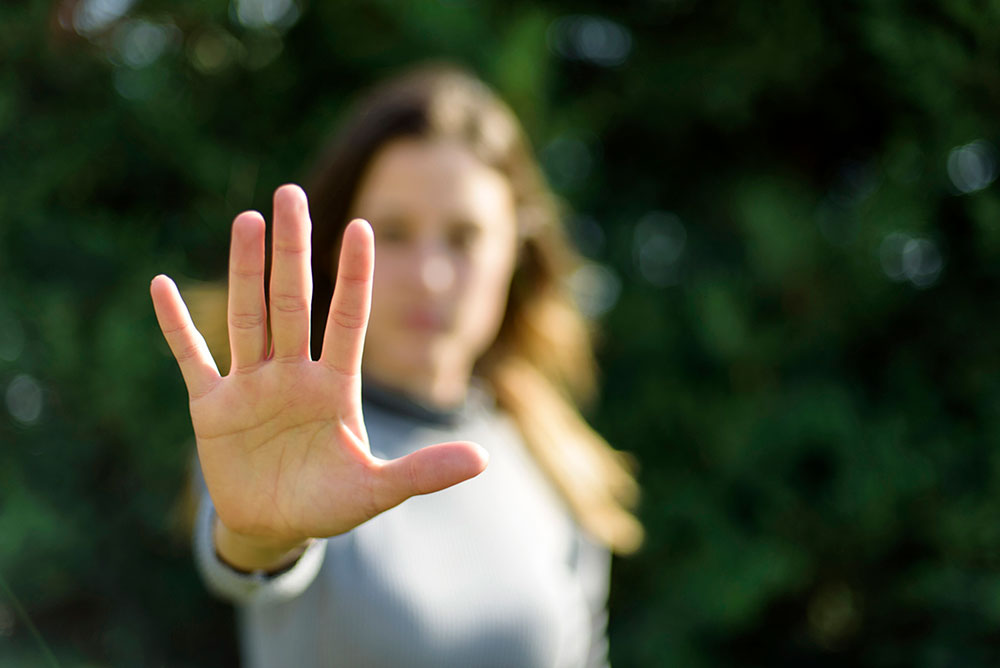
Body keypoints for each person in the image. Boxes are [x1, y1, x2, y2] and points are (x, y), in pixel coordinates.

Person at [150, 63, 642, 668]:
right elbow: (251, 555)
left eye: (464, 237)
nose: (430, 275)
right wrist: (261, 536)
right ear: (335, 246)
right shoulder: (283, 426)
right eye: (395, 232)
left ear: (515, 250)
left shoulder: (557, 458)